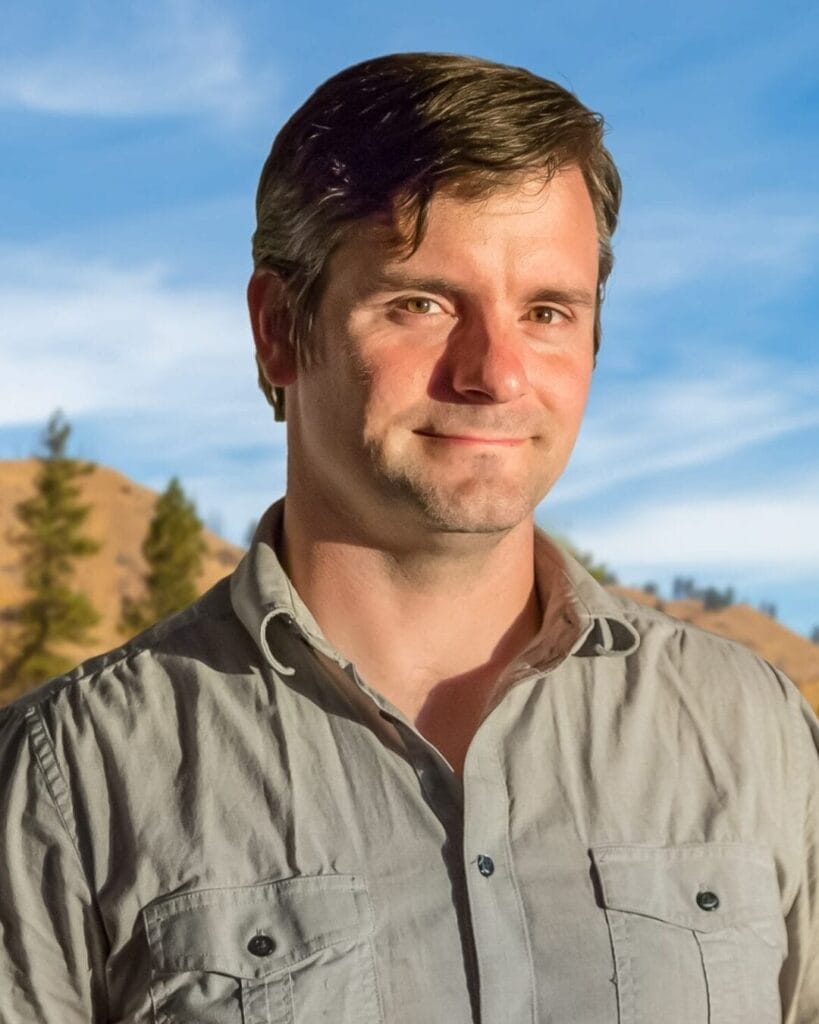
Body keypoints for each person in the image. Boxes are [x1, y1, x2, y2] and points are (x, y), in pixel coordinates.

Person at [1, 52, 817, 1024]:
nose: (496, 373)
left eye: (548, 311)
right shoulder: (72, 774)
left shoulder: (750, 730)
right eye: (422, 303)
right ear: (276, 328)